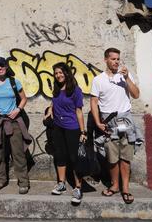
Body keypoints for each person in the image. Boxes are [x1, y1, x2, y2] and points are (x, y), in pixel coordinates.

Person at [90, 47, 141, 204]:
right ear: (106, 59)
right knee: (112, 158)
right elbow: (93, 102)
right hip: (108, 121)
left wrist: (127, 79)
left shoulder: (124, 76)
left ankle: (125, 188)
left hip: (125, 120)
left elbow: (136, 94)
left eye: (118, 59)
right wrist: (98, 122)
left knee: (125, 157)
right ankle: (114, 186)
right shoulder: (98, 80)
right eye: (113, 59)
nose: (116, 62)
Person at [0, 57, 31, 194]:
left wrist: (18, 109)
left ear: (6, 67)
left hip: (13, 122)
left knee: (18, 152)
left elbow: (24, 98)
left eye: (2, 65)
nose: (0, 68)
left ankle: (23, 182)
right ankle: (0, 180)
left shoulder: (13, 82)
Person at [45, 62, 87, 204]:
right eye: (56, 73)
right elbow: (54, 102)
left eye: (60, 72)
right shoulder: (57, 89)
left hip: (72, 128)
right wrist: (50, 110)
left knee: (75, 158)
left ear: (67, 73)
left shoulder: (75, 90)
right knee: (60, 156)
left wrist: (83, 131)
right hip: (58, 127)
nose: (58, 75)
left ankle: (78, 187)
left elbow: (79, 111)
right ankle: (61, 184)